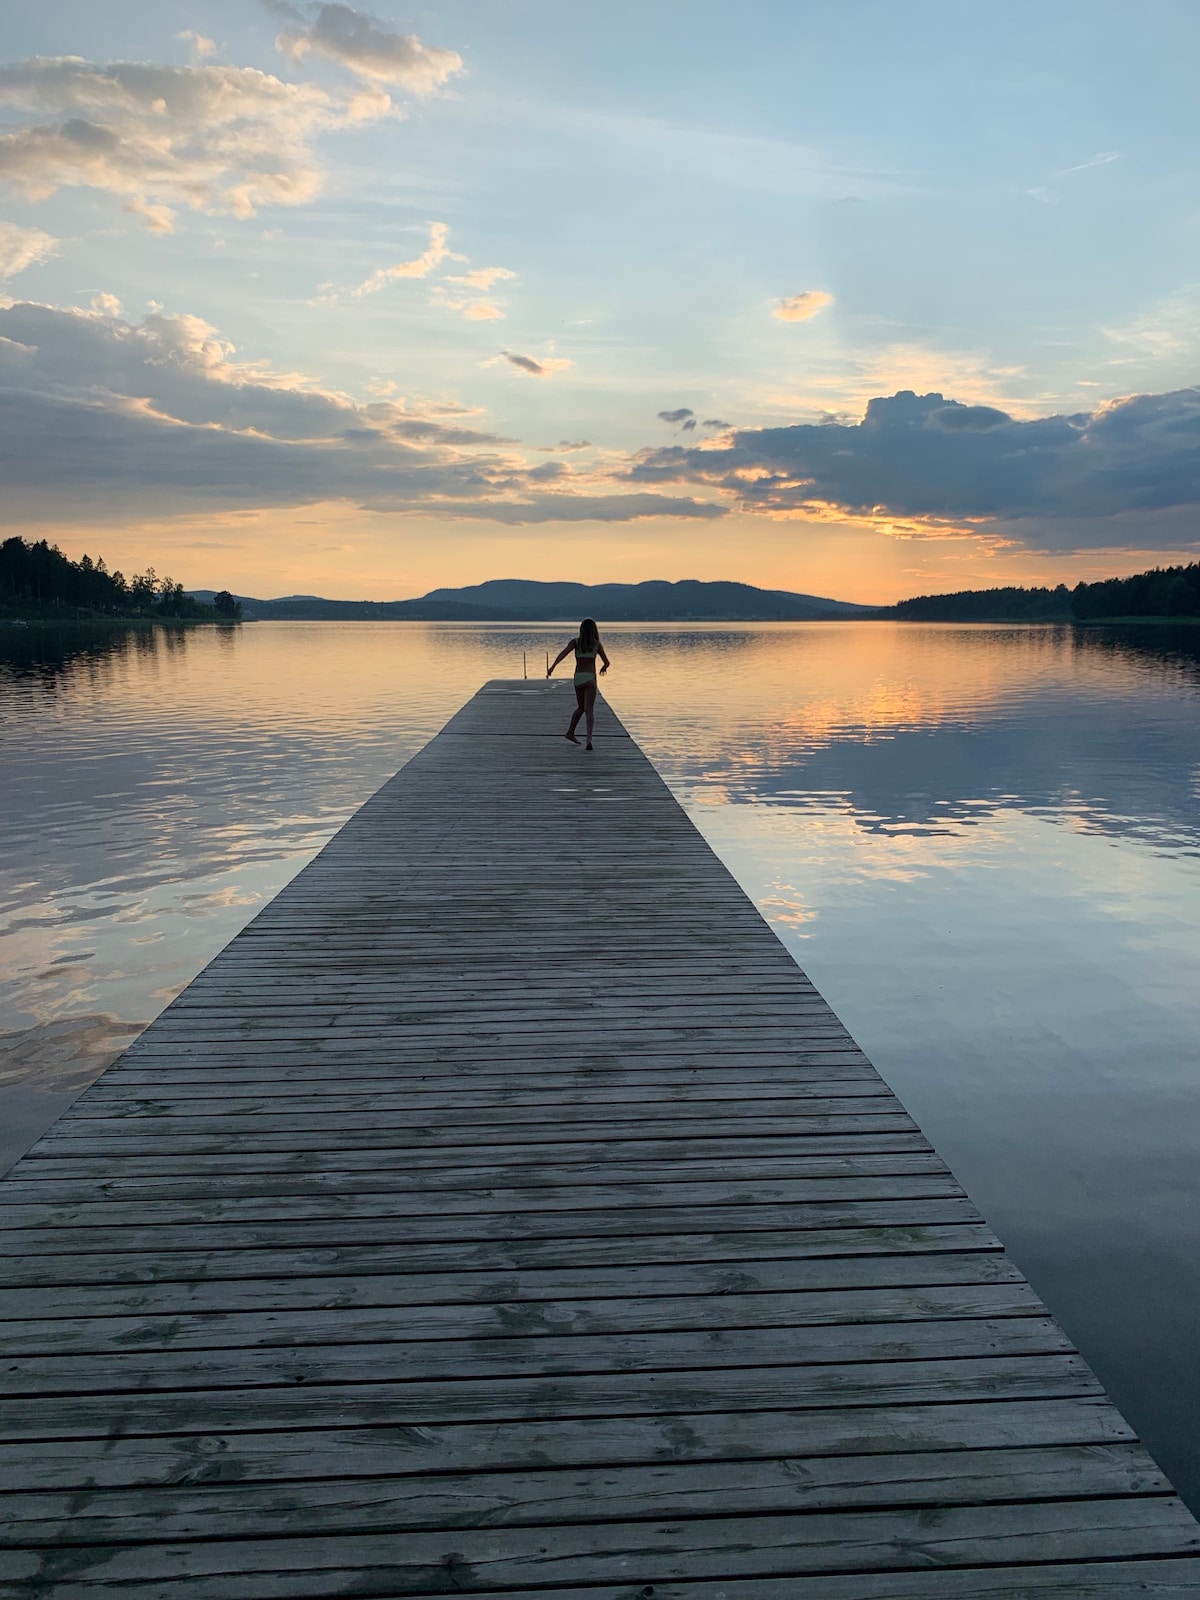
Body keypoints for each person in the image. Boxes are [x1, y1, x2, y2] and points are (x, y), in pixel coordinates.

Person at [547, 618, 609, 749]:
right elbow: (607, 662)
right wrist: (603, 668)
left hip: (578, 678)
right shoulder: (597, 645)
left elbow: (563, 654)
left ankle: (570, 732)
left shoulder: (575, 642)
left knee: (581, 707)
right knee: (589, 710)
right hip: (590, 678)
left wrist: (553, 666)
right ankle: (589, 739)